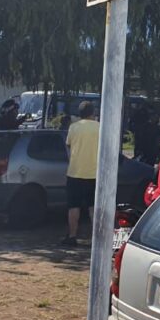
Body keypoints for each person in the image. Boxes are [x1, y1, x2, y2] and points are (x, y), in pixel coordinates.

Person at [61, 101, 100, 246]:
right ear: (93, 112)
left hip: (75, 172)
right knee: (93, 207)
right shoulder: (100, 127)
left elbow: (68, 145)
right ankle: (96, 238)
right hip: (95, 173)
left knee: (73, 206)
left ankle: (72, 236)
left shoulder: (74, 127)